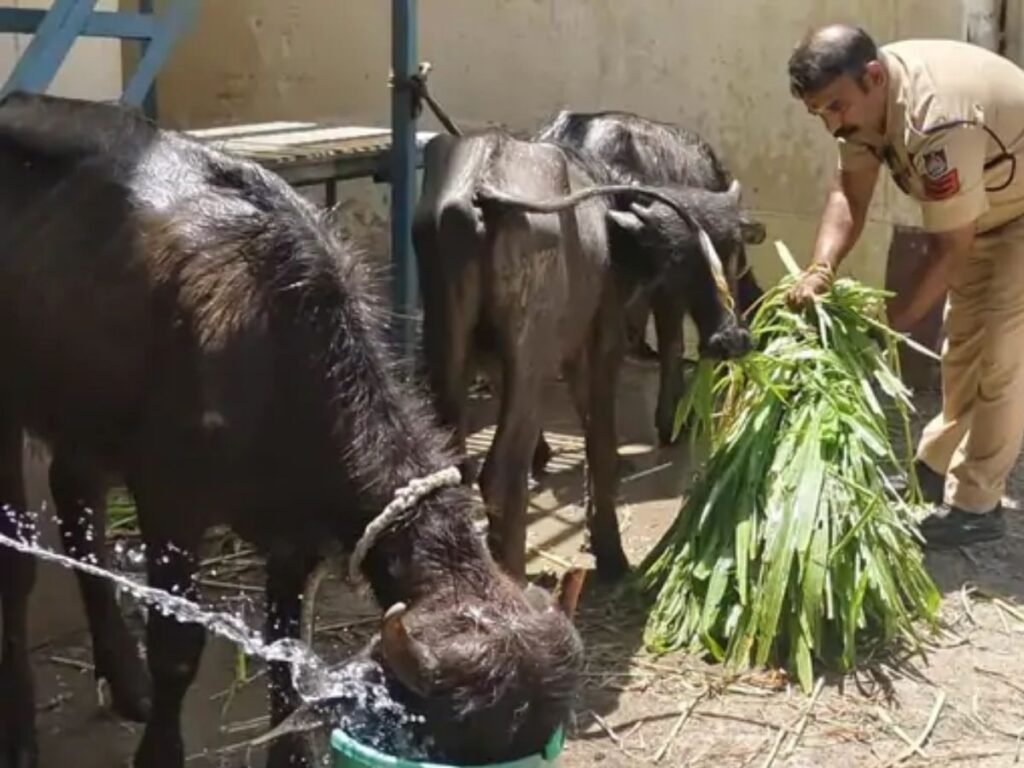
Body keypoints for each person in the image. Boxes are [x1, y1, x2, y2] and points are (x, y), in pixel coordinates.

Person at [786, 24, 1024, 548]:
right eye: (819, 112)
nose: (831, 123)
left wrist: (886, 327)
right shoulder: (863, 110)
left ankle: (978, 505)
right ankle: (936, 467)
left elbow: (948, 250)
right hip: (985, 211)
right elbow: (849, 195)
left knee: (1002, 355)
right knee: (962, 345)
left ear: (872, 77)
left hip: (1017, 212)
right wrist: (819, 269)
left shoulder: (936, 123)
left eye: (835, 107)